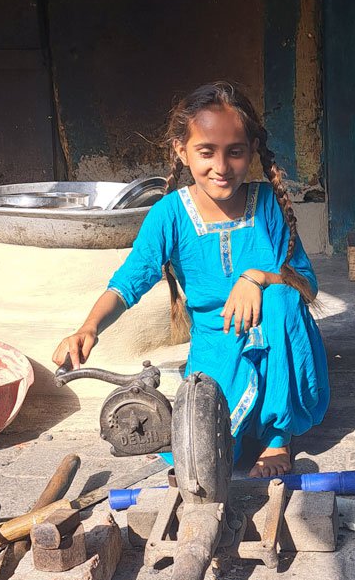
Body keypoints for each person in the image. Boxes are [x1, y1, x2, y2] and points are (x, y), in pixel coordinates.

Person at [52, 81, 330, 478]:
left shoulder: (268, 204)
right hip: (218, 346)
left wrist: (256, 277)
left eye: (235, 152)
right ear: (181, 150)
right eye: (206, 152)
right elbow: (128, 281)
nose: (221, 166)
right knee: (206, 452)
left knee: (281, 300)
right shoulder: (169, 214)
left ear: (251, 150)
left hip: (278, 346)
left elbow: (307, 284)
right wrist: (89, 328)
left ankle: (276, 436)